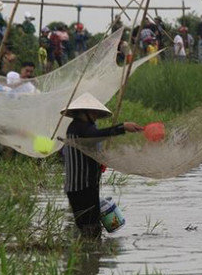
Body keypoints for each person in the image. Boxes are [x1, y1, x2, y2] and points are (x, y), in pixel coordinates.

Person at [60, 93, 143, 237]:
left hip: (86, 185)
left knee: (91, 226)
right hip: (81, 188)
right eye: (94, 113)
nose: (97, 116)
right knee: (90, 227)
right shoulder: (79, 128)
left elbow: (91, 145)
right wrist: (122, 127)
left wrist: (99, 161)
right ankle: (88, 254)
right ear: (85, 112)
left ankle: (90, 255)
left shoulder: (85, 126)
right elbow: (96, 135)